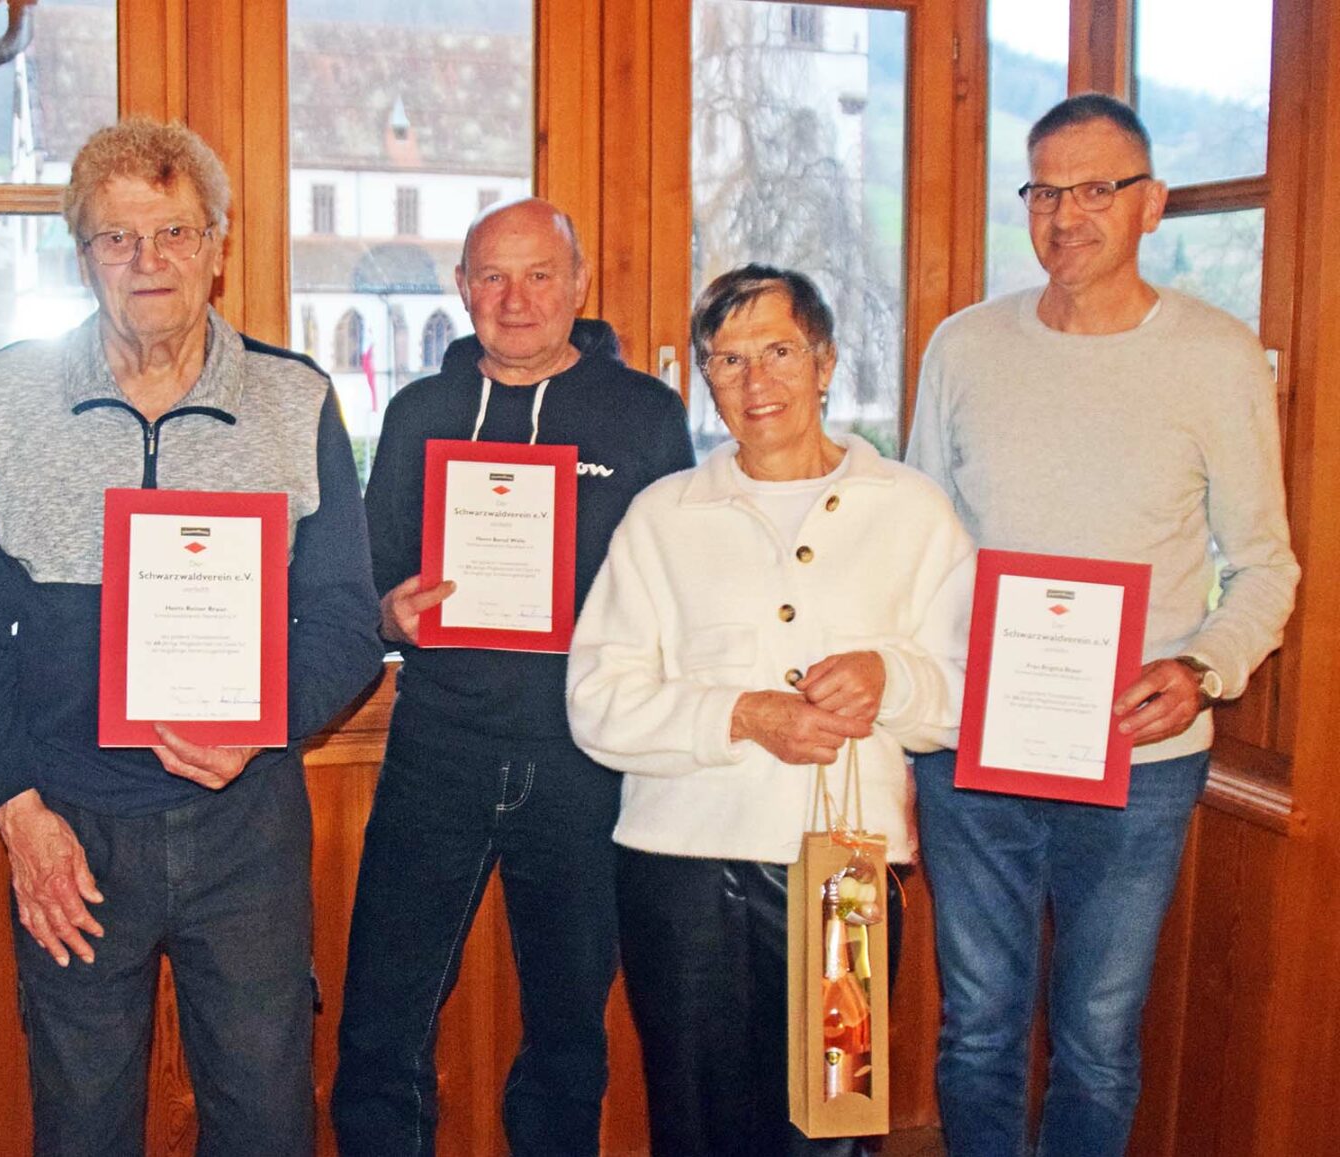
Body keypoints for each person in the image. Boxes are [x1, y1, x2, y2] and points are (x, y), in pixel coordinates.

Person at [0, 117, 381, 1156]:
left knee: (266, 1119)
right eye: (118, 237)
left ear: (217, 246)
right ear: (82, 255)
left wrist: (262, 720)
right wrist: (19, 812)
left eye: (176, 232)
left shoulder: (294, 399)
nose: (149, 260)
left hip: (246, 828)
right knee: (82, 1125)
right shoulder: (4, 396)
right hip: (72, 829)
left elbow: (345, 624)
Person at [906, 93, 1300, 1157]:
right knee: (977, 1030)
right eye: (1044, 191)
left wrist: (1203, 669)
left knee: (1097, 1037)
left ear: (1151, 204)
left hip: (1140, 756)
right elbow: (920, 548)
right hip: (974, 751)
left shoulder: (1217, 355)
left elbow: (1266, 565)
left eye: (1095, 189)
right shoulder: (964, 347)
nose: (1065, 215)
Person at [566, 264, 974, 1155]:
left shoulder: (913, 511)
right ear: (705, 380)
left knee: (835, 1122)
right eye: (729, 360)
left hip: (847, 880)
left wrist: (891, 679)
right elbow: (596, 704)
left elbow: (965, 695)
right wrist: (744, 715)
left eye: (780, 351)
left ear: (826, 362)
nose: (756, 381)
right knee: (696, 1126)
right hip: (681, 875)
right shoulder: (662, 515)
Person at [331, 197, 695, 1156]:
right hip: (436, 751)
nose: (516, 298)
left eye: (540, 275)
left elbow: (687, 592)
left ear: (578, 284)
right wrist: (390, 613)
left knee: (569, 1034)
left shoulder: (646, 417)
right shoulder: (418, 414)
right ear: (462, 287)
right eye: (492, 275)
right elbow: (369, 582)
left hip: (585, 761)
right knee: (380, 1022)